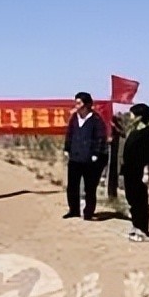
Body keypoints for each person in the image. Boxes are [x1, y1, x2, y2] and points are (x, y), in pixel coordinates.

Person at [62, 92, 108, 220]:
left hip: (89, 159)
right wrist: (67, 148)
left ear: (87, 105)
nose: (76, 105)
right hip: (75, 157)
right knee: (72, 186)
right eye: (76, 102)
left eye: (79, 103)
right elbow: (69, 134)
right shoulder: (74, 118)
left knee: (90, 187)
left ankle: (88, 212)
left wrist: (96, 153)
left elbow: (100, 138)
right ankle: (73, 210)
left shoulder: (96, 120)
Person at [120, 103, 149, 242]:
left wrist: (147, 171)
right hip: (130, 171)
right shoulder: (134, 130)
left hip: (139, 172)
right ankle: (135, 226)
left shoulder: (146, 132)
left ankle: (143, 230)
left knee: (140, 201)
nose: (130, 116)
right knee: (132, 199)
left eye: (132, 114)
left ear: (139, 116)